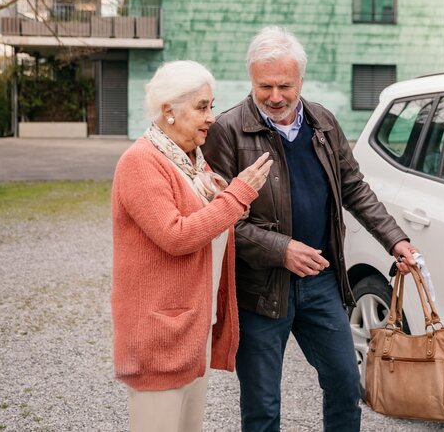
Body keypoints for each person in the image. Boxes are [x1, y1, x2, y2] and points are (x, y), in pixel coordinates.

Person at [202, 26, 419, 431]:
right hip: (260, 290)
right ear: (251, 79)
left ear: (301, 79)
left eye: (285, 85)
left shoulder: (323, 122)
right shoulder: (227, 131)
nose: (275, 97)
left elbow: (354, 188)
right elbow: (221, 220)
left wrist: (395, 239)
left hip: (321, 282)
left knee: (344, 384)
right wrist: (281, 249)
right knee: (262, 404)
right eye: (264, 86)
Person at [111, 60, 273, 432]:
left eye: (211, 106)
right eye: (202, 107)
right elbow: (177, 236)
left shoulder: (192, 163)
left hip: (190, 328)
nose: (212, 117)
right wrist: (236, 196)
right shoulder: (141, 163)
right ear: (169, 110)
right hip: (158, 336)